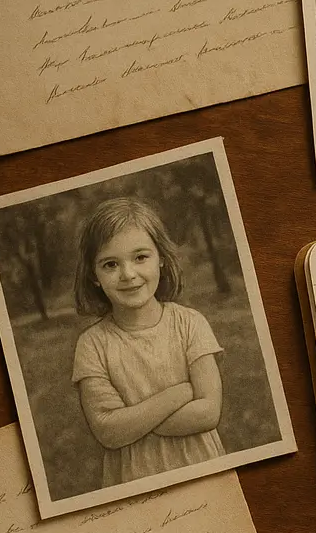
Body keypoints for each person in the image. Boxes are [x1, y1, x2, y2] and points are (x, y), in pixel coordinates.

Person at [71, 198, 224, 488]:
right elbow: (108, 431)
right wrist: (182, 392)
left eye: (140, 257)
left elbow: (208, 413)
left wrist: (134, 420)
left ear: (161, 258)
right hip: (134, 482)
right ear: (94, 275)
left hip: (202, 469)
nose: (128, 274)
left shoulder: (190, 323)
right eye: (110, 264)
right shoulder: (92, 345)